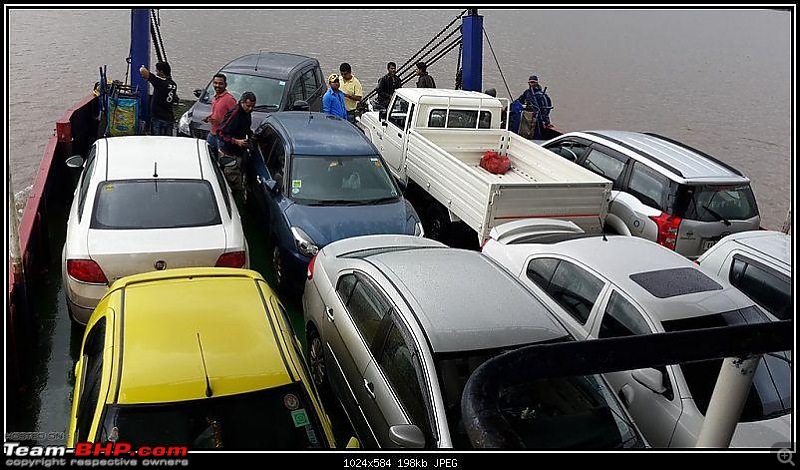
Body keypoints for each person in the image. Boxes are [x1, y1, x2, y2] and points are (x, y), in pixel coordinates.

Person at [217, 91, 256, 198]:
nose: (250, 109)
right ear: (242, 103)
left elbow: (246, 129)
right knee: (233, 185)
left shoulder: (247, 114)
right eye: (248, 106)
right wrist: (236, 141)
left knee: (240, 178)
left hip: (240, 152)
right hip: (229, 153)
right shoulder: (235, 114)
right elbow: (220, 132)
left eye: (253, 106)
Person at [202, 73, 237, 159]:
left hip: (222, 138)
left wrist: (220, 123)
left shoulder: (229, 99)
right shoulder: (215, 98)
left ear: (225, 85)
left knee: (222, 161)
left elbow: (235, 119)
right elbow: (218, 112)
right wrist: (209, 117)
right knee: (208, 158)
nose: (217, 85)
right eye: (215, 83)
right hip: (212, 134)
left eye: (220, 83)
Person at [139, 62, 178, 136]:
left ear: (161, 71)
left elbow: (144, 73)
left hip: (158, 118)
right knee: (168, 140)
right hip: (169, 118)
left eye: (157, 70)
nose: (156, 72)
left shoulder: (160, 82)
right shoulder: (173, 84)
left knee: (157, 140)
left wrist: (142, 67)